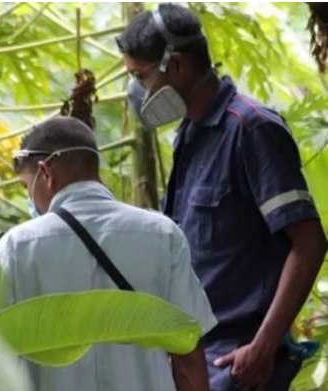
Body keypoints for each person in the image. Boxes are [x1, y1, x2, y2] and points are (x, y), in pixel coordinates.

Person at [117, 3, 328, 391]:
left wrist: (262, 347)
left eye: (140, 76)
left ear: (176, 64)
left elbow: (309, 241)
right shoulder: (191, 133)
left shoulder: (252, 129)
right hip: (200, 361)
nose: (137, 92)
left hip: (240, 365)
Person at [0, 117, 217, 391]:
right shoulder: (162, 235)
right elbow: (188, 355)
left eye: (28, 187)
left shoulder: (15, 248)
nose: (30, 197)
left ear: (46, 173)